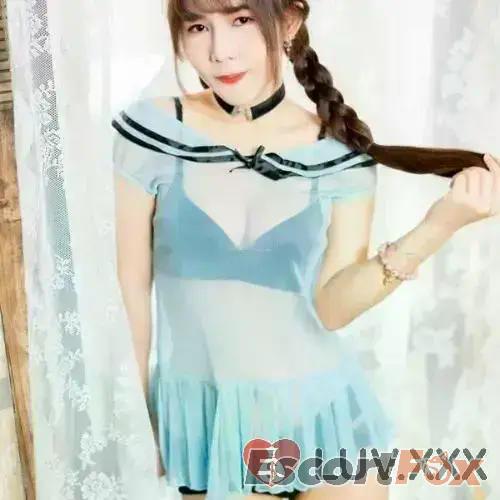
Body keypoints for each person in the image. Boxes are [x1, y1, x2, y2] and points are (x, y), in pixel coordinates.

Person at [112, 0, 500, 498]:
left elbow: (332, 308)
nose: (220, 51)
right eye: (198, 27)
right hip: (211, 425)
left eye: (241, 20)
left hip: (325, 419)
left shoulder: (337, 154)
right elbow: (129, 284)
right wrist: (138, 420)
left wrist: (440, 224)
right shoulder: (153, 132)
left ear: (289, 22)